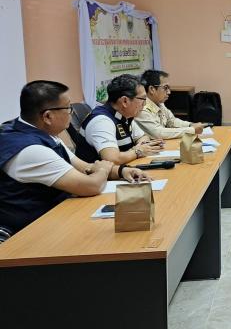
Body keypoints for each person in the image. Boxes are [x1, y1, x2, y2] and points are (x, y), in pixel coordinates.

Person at [0, 81, 149, 241]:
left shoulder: (39, 132)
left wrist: (122, 171)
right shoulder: (31, 149)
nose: (71, 114)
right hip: (30, 234)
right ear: (48, 116)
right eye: (68, 108)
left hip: (55, 217)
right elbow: (90, 186)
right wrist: (103, 170)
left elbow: (84, 167)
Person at [82, 74, 163, 164]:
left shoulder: (124, 115)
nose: (145, 104)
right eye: (143, 99)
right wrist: (138, 151)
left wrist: (142, 146)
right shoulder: (101, 121)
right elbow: (112, 159)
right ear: (125, 101)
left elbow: (142, 137)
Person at [135, 70, 205, 139]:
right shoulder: (141, 108)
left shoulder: (159, 103)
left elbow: (172, 121)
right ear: (152, 89)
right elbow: (159, 133)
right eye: (165, 88)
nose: (169, 92)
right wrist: (191, 130)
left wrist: (190, 124)